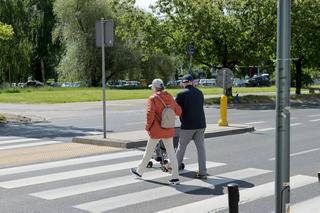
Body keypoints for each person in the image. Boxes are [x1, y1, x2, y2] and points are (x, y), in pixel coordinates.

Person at [131, 78, 182, 185]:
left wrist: (147, 127)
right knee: (171, 152)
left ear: (155, 87)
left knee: (148, 152)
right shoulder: (170, 97)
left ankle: (139, 172)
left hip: (156, 130)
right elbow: (179, 111)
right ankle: (175, 177)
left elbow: (149, 114)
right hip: (168, 129)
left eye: (152, 87)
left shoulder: (153, 98)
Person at [175, 74, 207, 179]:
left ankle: (176, 167)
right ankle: (202, 172)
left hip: (188, 125)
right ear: (192, 82)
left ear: (183, 82)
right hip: (201, 124)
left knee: (181, 147)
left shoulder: (181, 94)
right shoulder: (199, 92)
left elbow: (176, 110)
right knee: (201, 149)